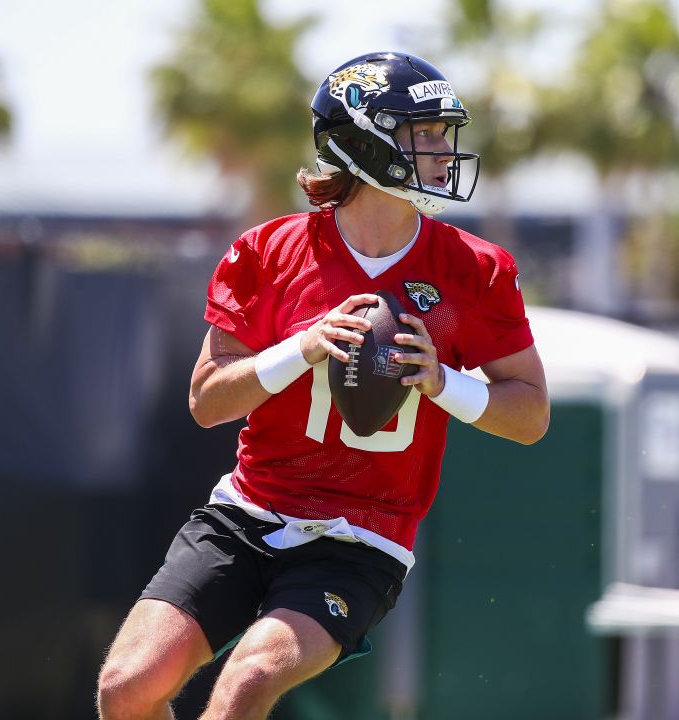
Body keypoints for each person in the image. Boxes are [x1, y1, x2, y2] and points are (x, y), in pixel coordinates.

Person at [96, 51, 550, 720]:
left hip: (362, 537)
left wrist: (442, 381)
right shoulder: (269, 252)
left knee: (249, 680)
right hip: (249, 513)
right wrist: (300, 350)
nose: (441, 150)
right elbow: (207, 398)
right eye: (421, 133)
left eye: (439, 133)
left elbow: (531, 413)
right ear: (363, 142)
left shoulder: (472, 269)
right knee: (127, 687)